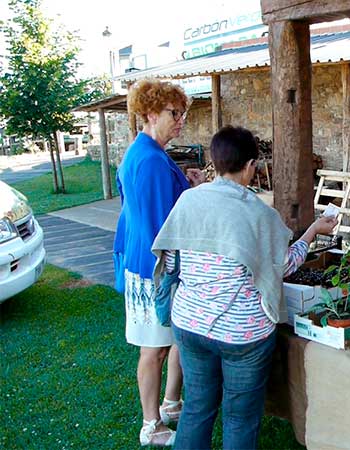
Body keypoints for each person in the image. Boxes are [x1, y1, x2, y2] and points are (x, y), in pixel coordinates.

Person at [151, 126, 338, 450]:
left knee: (196, 407)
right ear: (251, 165)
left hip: (190, 324)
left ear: (215, 160)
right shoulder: (259, 214)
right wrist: (311, 232)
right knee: (239, 417)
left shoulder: (187, 200)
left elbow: (169, 264)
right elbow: (285, 266)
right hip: (243, 334)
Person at [113, 79, 205, 446]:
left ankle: (171, 403)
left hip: (152, 263)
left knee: (175, 340)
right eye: (173, 113)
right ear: (150, 113)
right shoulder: (150, 159)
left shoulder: (148, 150)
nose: (180, 120)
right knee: (154, 349)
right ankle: (151, 425)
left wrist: (186, 183)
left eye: (182, 113)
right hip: (154, 268)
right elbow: (160, 225)